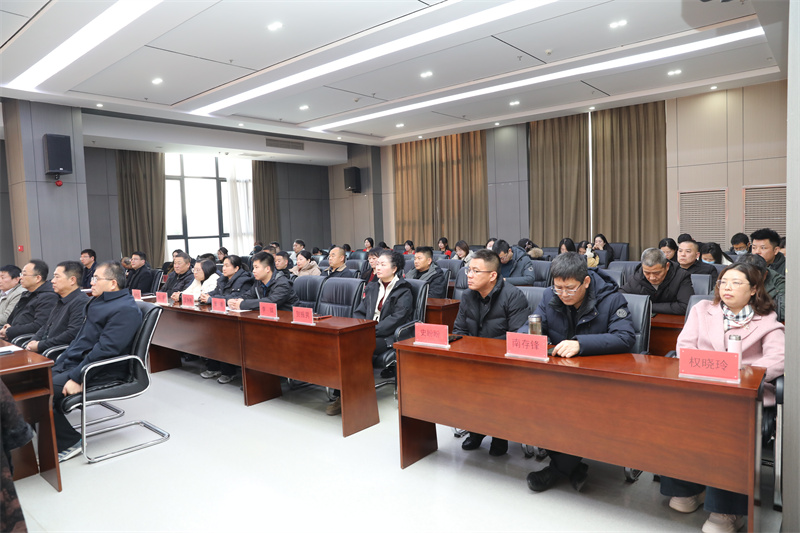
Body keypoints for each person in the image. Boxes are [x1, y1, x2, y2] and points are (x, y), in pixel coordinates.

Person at [660, 263, 784, 533]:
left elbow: (779, 358)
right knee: (674, 416)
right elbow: (684, 347)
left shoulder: (767, 320)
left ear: (754, 289)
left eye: (736, 283)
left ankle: (727, 509)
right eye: (723, 282)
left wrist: (741, 371)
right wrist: (713, 368)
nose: (727, 288)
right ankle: (687, 488)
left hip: (743, 397)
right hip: (701, 389)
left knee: (727, 428)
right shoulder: (702, 310)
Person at [522, 252, 635, 493]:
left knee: (571, 409)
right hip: (558, 375)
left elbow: (625, 338)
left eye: (570, 289)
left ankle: (558, 469)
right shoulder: (549, 295)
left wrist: (580, 344)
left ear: (586, 281)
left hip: (596, 378)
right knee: (531, 401)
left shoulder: (612, 299)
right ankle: (572, 467)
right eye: (558, 288)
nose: (563, 294)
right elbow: (534, 324)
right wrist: (528, 337)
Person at [51, 261, 142, 461]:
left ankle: (70, 442)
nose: (91, 282)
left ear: (113, 283)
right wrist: (60, 361)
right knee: (30, 382)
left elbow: (106, 351)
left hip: (100, 370)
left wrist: (77, 377)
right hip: (78, 363)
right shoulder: (99, 301)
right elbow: (80, 340)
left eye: (96, 279)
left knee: (39, 392)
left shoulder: (125, 309)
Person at [454, 249, 529, 456]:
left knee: (494, 385)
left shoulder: (513, 296)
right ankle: (476, 430)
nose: (469, 275)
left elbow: (518, 339)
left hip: (503, 363)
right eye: (469, 270)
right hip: (474, 359)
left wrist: (486, 353)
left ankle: (499, 434)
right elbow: (459, 330)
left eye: (475, 271)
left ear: (492, 275)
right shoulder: (468, 296)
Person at [325, 250, 414, 416]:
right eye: (377, 264)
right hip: (367, 332)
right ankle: (346, 392)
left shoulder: (404, 290)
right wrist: (358, 328)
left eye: (382, 264)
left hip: (388, 336)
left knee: (355, 348)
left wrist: (369, 330)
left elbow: (397, 319)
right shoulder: (373, 286)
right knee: (343, 343)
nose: (377, 267)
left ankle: (346, 396)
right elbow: (359, 311)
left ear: (394, 268)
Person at [198, 255, 254, 384]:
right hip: (220, 313)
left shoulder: (245, 280)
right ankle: (213, 367)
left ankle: (228, 372)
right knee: (210, 334)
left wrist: (211, 299)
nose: (223, 268)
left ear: (236, 268)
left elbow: (234, 297)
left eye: (227, 265)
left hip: (236, 317)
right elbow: (216, 292)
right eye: (223, 265)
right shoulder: (222, 279)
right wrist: (207, 295)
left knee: (224, 338)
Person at [25, 261, 89, 354]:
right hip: (45, 348)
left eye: (57, 277)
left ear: (72, 280)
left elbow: (71, 334)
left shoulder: (81, 301)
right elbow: (47, 325)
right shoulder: (61, 299)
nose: (52, 281)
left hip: (57, 352)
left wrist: (40, 345)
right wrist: (34, 340)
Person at [620, 248, 693, 315]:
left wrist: (646, 305)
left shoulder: (681, 276)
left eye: (657, 273)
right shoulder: (637, 277)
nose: (652, 278)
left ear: (667, 266)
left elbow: (685, 306)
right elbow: (619, 297)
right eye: (647, 273)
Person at [0, 260, 58, 342]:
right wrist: (8, 327)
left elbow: (39, 325)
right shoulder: (28, 294)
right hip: (13, 335)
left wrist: (10, 331)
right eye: (21, 274)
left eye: (24, 275)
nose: (21, 278)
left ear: (37, 278)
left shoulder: (48, 297)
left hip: (24, 340)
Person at [229, 252, 299, 313]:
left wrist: (242, 304)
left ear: (267, 269)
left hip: (287, 319)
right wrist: (234, 301)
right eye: (253, 267)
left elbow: (270, 302)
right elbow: (248, 295)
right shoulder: (259, 281)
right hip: (268, 317)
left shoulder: (282, 283)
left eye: (256, 267)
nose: (253, 271)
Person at [740, 253, 784, 322]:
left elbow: (783, 312)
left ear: (765, 275)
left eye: (753, 278)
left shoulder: (779, 283)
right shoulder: (730, 277)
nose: (749, 281)